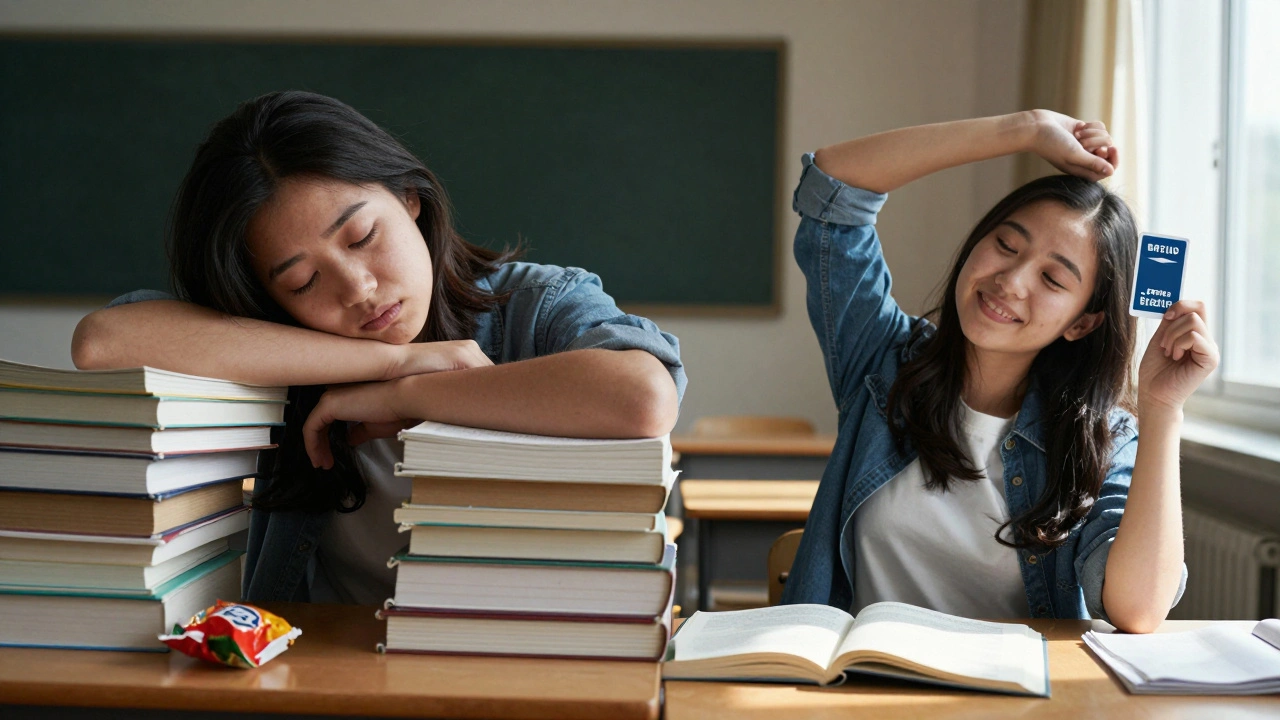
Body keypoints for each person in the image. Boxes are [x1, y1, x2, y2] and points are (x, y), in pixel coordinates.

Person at [72, 91, 686, 605]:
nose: (359, 290)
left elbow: (642, 397)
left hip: (523, 651)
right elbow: (103, 342)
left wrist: (418, 395)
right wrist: (394, 359)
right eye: (302, 282)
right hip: (334, 672)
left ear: (411, 201)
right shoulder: (275, 354)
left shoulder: (535, 305)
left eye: (363, 236)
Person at [781, 110, 1217, 633]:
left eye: (1053, 279)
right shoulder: (884, 365)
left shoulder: (1102, 436)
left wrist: (1163, 410)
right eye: (1005, 246)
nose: (1010, 281)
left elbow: (1138, 609)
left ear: (1083, 323)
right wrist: (1026, 129)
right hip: (861, 692)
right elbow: (833, 189)